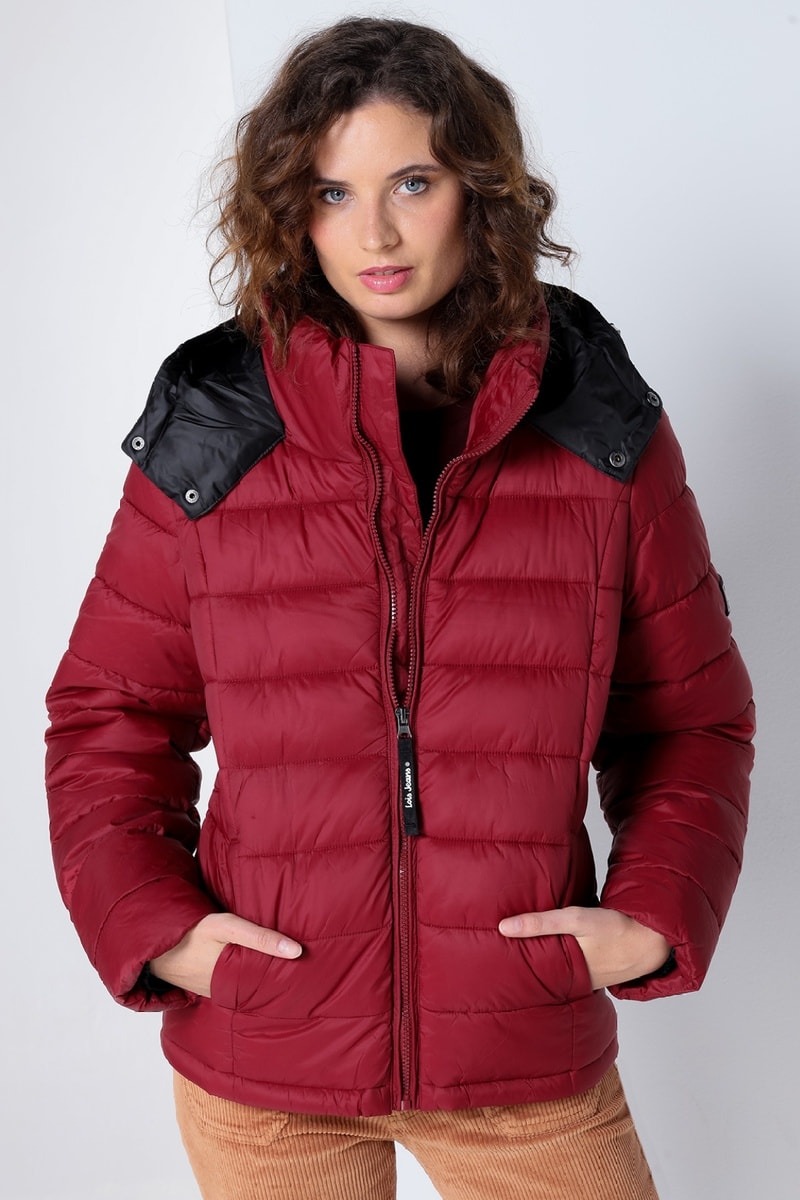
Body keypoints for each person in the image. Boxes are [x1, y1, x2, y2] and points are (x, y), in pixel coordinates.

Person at [45, 16, 754, 1200]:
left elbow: (689, 718)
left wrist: (650, 915)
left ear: (479, 189)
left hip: (521, 1061)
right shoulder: (214, 430)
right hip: (267, 1067)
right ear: (291, 210)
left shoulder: (598, 427)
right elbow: (107, 717)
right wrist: (161, 930)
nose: (372, 233)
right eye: (332, 192)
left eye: (411, 183)